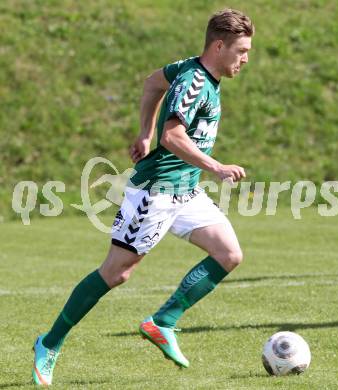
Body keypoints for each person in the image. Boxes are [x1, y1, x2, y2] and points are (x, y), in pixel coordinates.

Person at [32, 8, 254, 385]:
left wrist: (143, 131)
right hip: (156, 191)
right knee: (116, 273)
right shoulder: (195, 83)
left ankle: (163, 321)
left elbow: (153, 83)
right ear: (219, 46)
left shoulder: (192, 68)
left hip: (185, 189)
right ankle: (49, 343)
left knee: (229, 253)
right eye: (241, 50)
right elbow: (174, 136)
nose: (246, 59)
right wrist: (214, 166)